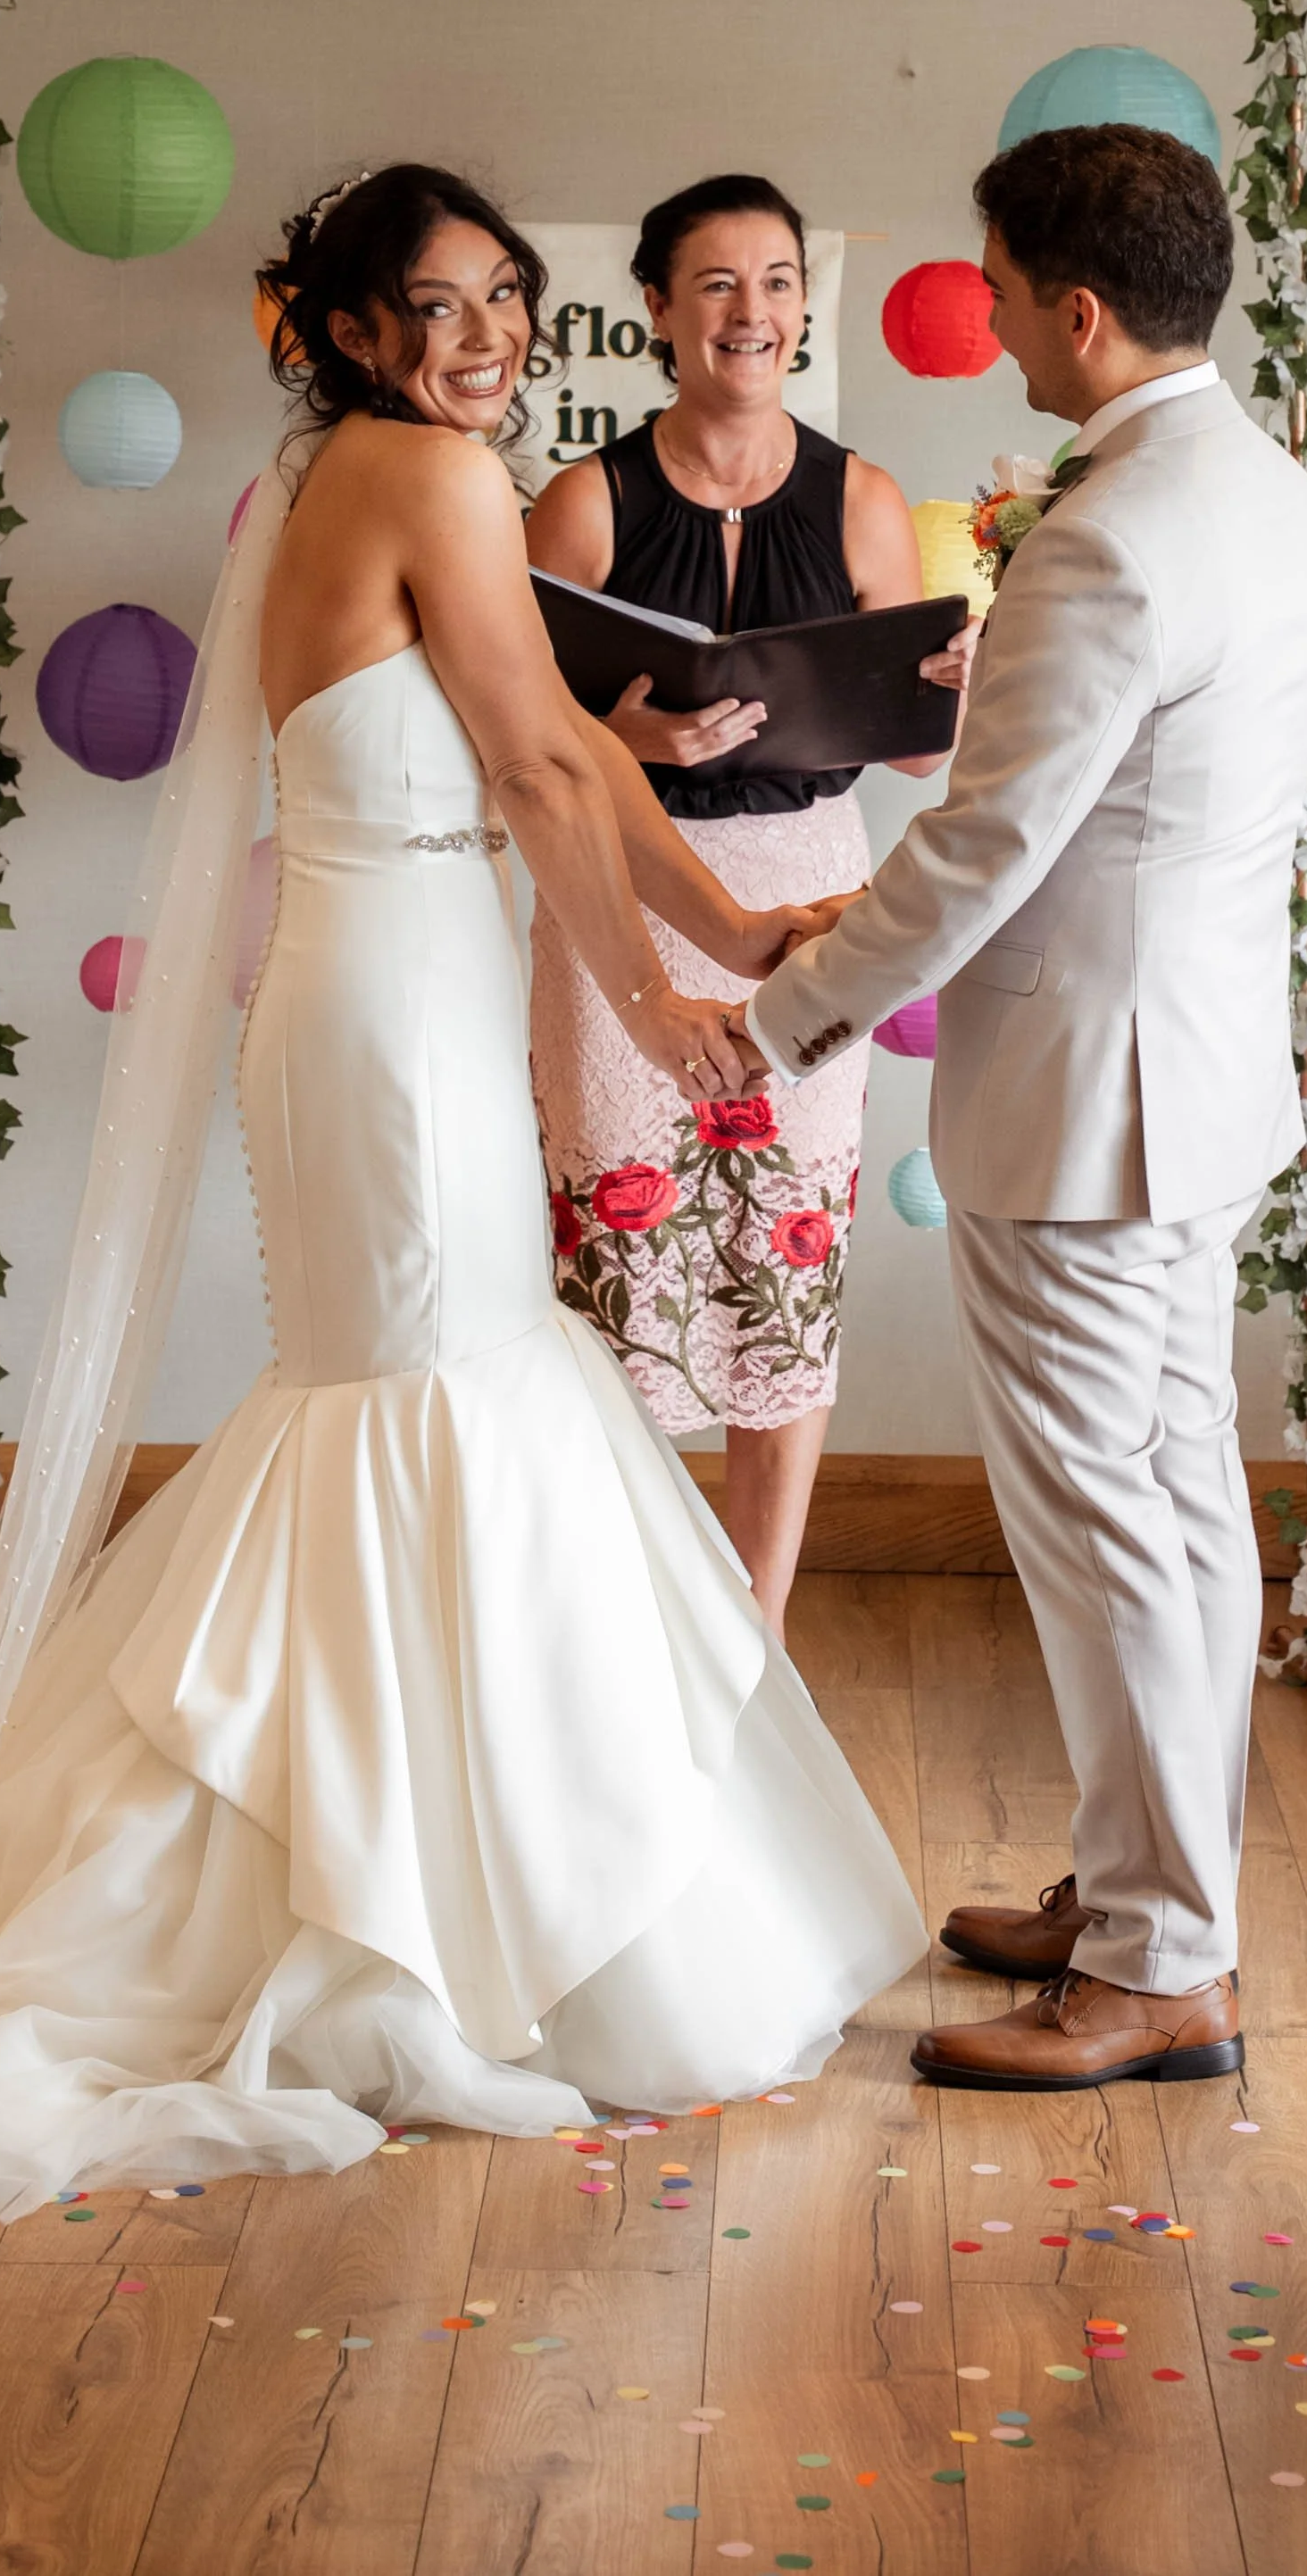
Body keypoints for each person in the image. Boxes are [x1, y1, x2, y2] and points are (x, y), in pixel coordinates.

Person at [0, 165, 924, 2244]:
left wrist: (696, 914)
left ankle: (386, 1850)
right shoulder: (431, 479)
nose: (484, 339)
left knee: (422, 1388)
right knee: (420, 1395)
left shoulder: (354, 481)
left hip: (394, 983)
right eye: (438, 307)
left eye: (503, 300)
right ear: (354, 329)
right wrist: (681, 976)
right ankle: (393, 1895)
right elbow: (551, 778)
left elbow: (560, 746)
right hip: (390, 1007)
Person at [737, 124, 1307, 2092]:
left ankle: (1164, 1961)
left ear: (1077, 314)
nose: (983, 317)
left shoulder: (1104, 535)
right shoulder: (1261, 486)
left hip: (1095, 1101)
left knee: (1107, 1519)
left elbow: (991, 848)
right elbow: (1116, 823)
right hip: (1198, 1075)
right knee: (1175, 1500)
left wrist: (786, 1012)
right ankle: (1148, 1877)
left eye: (996, 290)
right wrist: (860, 907)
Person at [524, 174, 975, 1637]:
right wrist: (631, 745)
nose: (755, 313)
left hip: (812, 887)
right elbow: (507, 741)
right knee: (618, 1258)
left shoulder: (860, 496)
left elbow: (909, 748)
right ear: (655, 307)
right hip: (619, 905)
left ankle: (755, 1629)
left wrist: (957, 693)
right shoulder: (581, 500)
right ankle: (619, 1612)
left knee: (792, 1245)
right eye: (718, 284)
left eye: (779, 282)